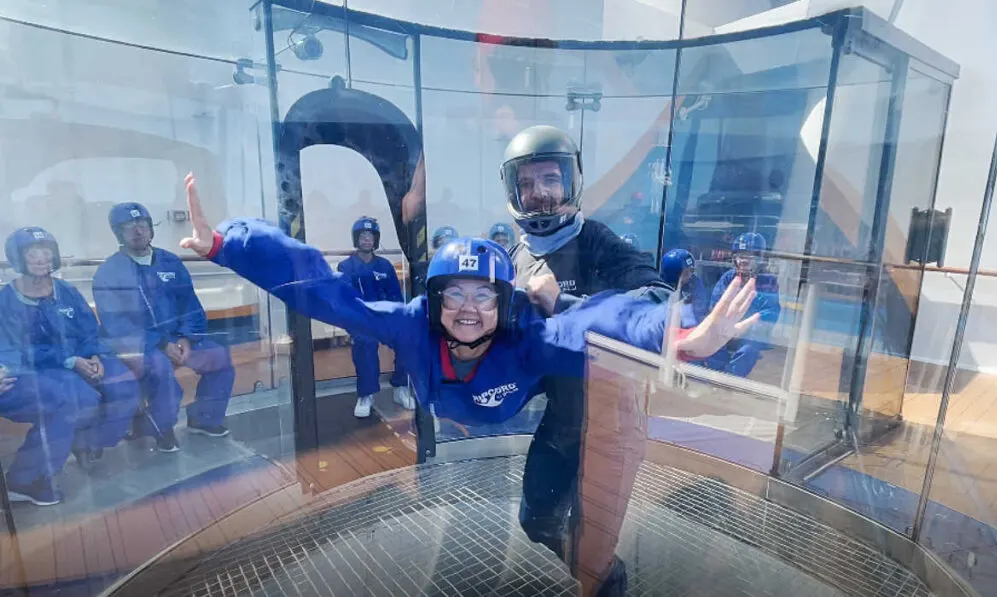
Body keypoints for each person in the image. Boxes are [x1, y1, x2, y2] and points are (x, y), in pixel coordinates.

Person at [182, 172, 756, 595]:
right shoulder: (410, 326)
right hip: (458, 400)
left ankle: (603, 577)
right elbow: (325, 291)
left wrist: (680, 338)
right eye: (453, 293)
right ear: (432, 301)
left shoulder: (526, 335)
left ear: (504, 305)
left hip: (541, 395)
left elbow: (600, 323)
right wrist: (227, 245)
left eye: (484, 295)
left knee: (580, 371)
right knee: (537, 522)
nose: (468, 310)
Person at [500, 125, 674, 565]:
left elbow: (659, 303)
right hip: (562, 418)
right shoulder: (516, 258)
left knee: (593, 548)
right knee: (536, 520)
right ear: (513, 192)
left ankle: (599, 578)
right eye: (526, 183)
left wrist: (565, 304)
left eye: (550, 179)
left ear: (571, 182)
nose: (538, 192)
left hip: (613, 422)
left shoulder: (596, 241)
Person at [0, 227, 139, 505]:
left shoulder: (66, 291)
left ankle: (87, 443)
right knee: (76, 398)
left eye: (46, 252)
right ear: (18, 258)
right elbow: (17, 351)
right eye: (31, 253)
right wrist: (71, 361)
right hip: (37, 369)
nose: (41, 258)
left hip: (79, 360)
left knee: (124, 385)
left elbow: (89, 329)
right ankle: (25, 479)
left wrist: (95, 355)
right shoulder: (6, 299)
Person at [92, 202, 236, 453]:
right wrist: (160, 343)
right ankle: (162, 429)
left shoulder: (170, 262)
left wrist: (187, 339)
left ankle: (204, 418)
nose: (138, 231)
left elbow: (190, 305)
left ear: (150, 229)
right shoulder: (109, 272)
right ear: (118, 233)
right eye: (129, 227)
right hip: (140, 344)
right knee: (159, 368)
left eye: (142, 225)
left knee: (219, 357)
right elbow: (116, 324)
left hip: (179, 340)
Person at [338, 216, 415, 418]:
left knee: (407, 340)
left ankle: (401, 388)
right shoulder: (346, 267)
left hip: (385, 319)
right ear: (356, 239)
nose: (366, 240)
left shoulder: (385, 266)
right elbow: (345, 301)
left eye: (370, 236)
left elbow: (395, 298)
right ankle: (366, 394)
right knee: (365, 343)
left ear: (375, 240)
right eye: (362, 236)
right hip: (361, 321)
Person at [706, 232, 781, 377]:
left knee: (748, 350)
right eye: (740, 256)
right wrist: (724, 326)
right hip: (725, 329)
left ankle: (731, 380)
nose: (743, 261)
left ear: (760, 258)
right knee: (710, 341)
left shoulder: (767, 281)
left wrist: (744, 329)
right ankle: (716, 377)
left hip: (751, 334)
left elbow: (770, 312)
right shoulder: (728, 278)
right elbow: (715, 305)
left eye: (748, 256)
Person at [661, 248, 708, 328]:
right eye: (686, 273)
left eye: (692, 271)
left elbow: (700, 308)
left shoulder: (694, 282)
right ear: (673, 274)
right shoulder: (661, 291)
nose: (690, 275)